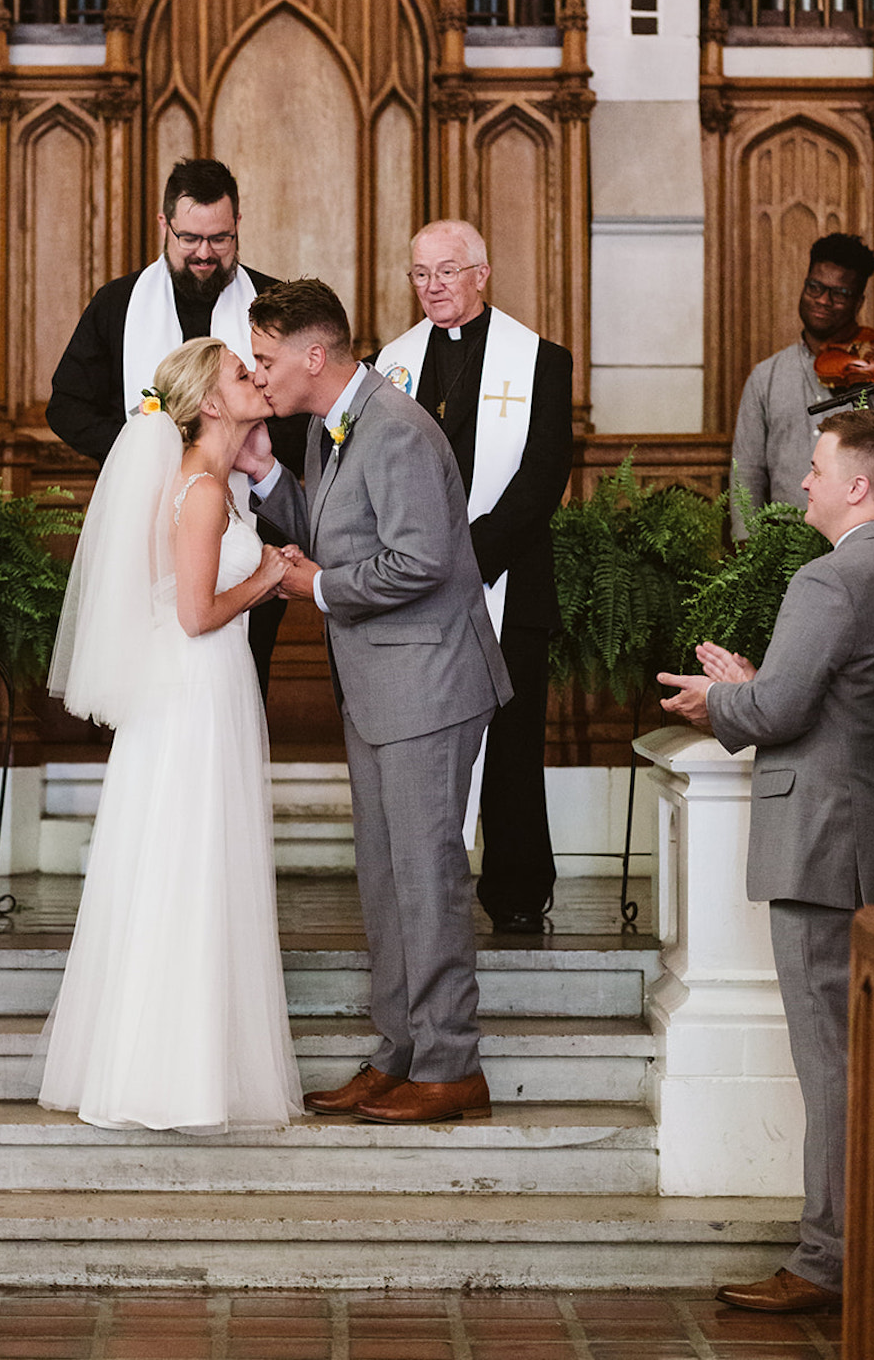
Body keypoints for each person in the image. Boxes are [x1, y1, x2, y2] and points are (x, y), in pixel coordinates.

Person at [238, 278, 512, 1125]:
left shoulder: (391, 427)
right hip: (383, 684)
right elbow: (335, 528)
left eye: (267, 358)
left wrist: (319, 588)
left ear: (314, 355)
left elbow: (420, 560)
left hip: (429, 683)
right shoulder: (332, 424)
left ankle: (451, 1063)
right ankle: (399, 1053)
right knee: (389, 879)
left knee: (426, 878)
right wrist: (267, 474)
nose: (260, 374)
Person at [38, 337, 303, 1130]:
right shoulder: (199, 492)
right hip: (193, 692)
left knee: (199, 864)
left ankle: (189, 1063)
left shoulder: (218, 482)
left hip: (207, 689)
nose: (255, 376)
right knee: (186, 868)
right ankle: (167, 1073)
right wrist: (265, 578)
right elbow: (193, 615)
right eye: (237, 372)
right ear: (211, 404)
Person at [658, 406, 874, 1315]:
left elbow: (782, 713)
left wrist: (720, 699)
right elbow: (827, 700)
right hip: (859, 836)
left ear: (858, 483)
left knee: (832, 1064)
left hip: (823, 846)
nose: (802, 481)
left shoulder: (833, 578)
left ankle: (828, 1261)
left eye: (818, 467)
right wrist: (758, 687)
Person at [375, 220, 572, 933]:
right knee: (424, 736)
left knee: (514, 742)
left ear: (482, 274)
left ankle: (517, 889)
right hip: (416, 582)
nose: (433, 286)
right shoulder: (389, 364)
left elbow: (544, 474)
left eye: (448, 271)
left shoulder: (541, 360)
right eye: (421, 273)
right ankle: (426, 891)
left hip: (508, 578)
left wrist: (472, 556)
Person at [47, 157, 305, 699]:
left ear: (238, 226)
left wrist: (255, 456)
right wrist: (158, 451)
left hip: (250, 529)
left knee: (244, 685)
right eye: (190, 237)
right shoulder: (118, 305)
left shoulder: (274, 305)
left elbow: (303, 408)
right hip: (151, 531)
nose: (205, 253)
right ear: (163, 224)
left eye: (221, 239)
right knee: (153, 679)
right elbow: (65, 407)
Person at [731, 232, 874, 538]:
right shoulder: (765, 376)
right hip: (782, 543)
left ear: (859, 301)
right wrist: (748, 544)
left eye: (840, 293)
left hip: (863, 542)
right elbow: (747, 470)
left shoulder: (870, 369)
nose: (824, 300)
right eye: (815, 287)